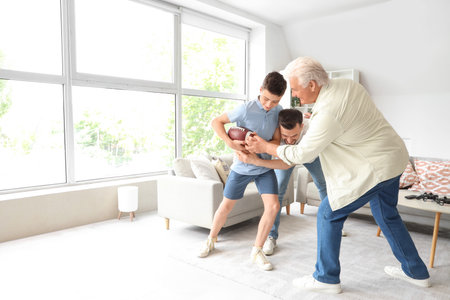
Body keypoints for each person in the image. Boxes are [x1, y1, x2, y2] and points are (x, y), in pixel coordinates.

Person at [244, 57, 430, 293]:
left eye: (297, 89)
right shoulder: (347, 86)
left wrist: (265, 148)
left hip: (378, 167)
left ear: (312, 84)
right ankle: (416, 272)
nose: (296, 96)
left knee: (327, 213)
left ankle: (326, 278)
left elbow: (301, 153)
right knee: (386, 214)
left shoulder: (328, 113)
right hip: (395, 158)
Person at [198, 71, 286, 271]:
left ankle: (257, 250)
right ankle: (211, 240)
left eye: (274, 101)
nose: (268, 105)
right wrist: (231, 143)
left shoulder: (278, 111)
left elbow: (276, 141)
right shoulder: (245, 109)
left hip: (263, 168)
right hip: (242, 168)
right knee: (225, 207)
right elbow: (216, 122)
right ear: (260, 90)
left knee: (273, 207)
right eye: (266, 99)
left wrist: (261, 146)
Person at [237, 108, 328, 256]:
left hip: (310, 157)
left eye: (294, 136)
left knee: (322, 185)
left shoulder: (311, 130)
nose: (290, 140)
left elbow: (289, 163)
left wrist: (257, 162)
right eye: (285, 136)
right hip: (284, 157)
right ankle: (271, 237)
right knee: (277, 192)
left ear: (302, 126)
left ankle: (331, 222)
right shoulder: (273, 131)